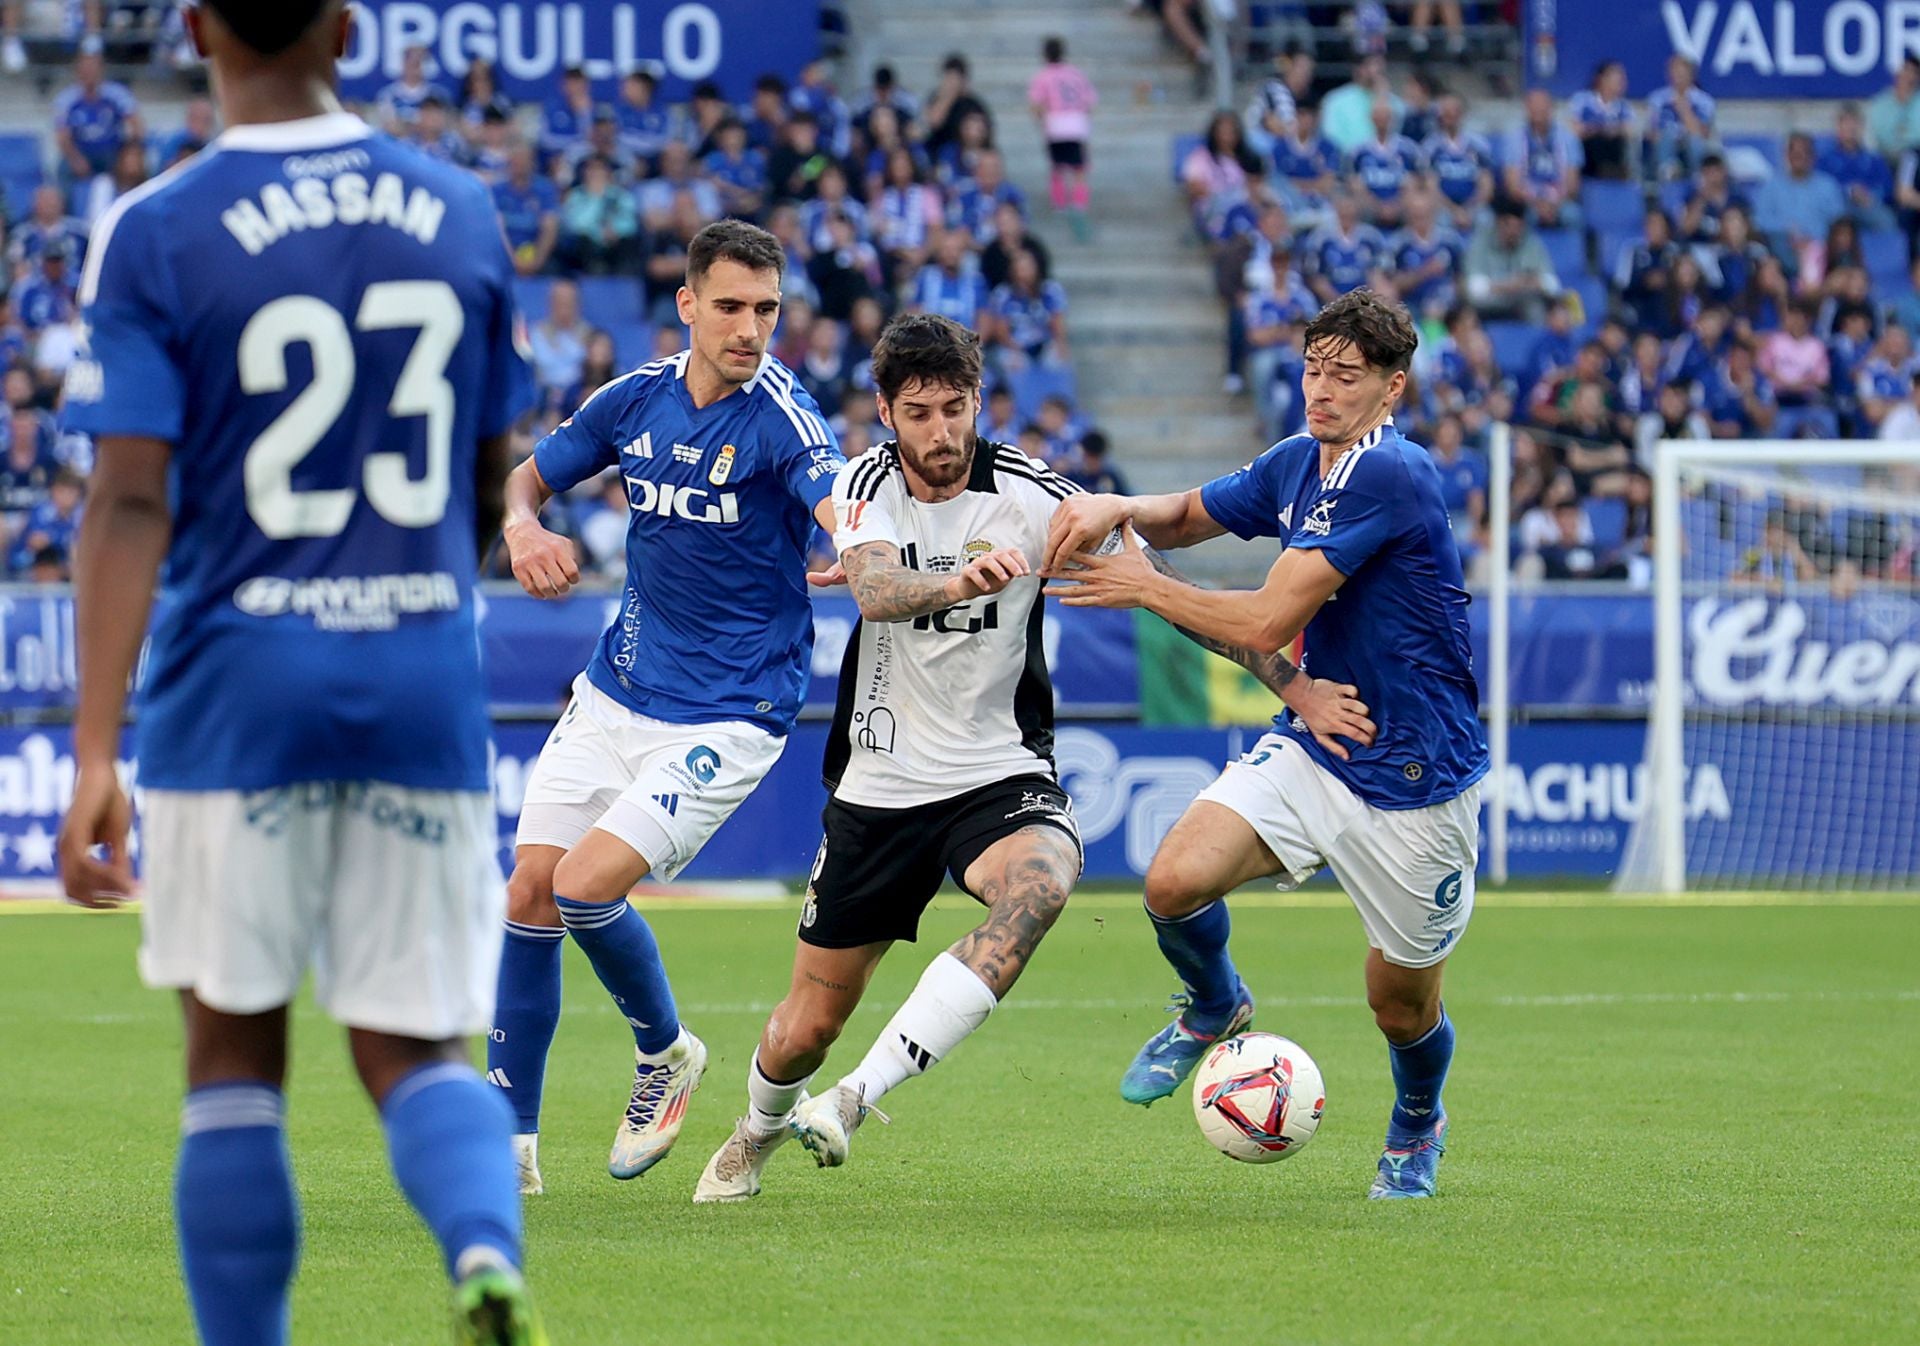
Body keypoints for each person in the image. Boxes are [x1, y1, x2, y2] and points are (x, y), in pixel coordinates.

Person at [53, 2, 544, 1342]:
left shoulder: (154, 227)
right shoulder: (457, 211)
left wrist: (96, 753)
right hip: (420, 679)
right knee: (413, 1051)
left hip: (233, 691)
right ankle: (485, 1248)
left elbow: (129, 499)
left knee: (231, 1064)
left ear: (197, 29)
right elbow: (487, 468)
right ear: (347, 28)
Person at [692, 313, 1371, 1201]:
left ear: (980, 401)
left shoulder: (1037, 495)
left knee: (1044, 883)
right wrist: (951, 582)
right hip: (880, 786)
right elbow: (873, 587)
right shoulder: (860, 485)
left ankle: (861, 1096)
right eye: (920, 412)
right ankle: (758, 1128)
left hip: (997, 773)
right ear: (887, 413)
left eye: (956, 408)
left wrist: (1296, 687)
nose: (942, 433)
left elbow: (1167, 592)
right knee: (801, 1030)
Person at [1042, 288, 1489, 1201]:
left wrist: (1145, 587)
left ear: (1393, 387)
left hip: (1416, 776)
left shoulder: (1388, 474)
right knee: (1171, 880)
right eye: (1313, 368)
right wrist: (1114, 504)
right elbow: (1184, 515)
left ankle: (1415, 1123)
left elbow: (1269, 614)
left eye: (1346, 376)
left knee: (1400, 1005)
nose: (1320, 389)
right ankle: (1216, 1006)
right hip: (1319, 743)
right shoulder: (1300, 460)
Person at [485, 219, 846, 1197]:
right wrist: (522, 526)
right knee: (526, 893)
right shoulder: (634, 398)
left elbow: (838, 497)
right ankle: (510, 1148)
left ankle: (665, 1052)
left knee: (586, 884)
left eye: (767, 309)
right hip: (616, 689)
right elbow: (526, 476)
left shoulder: (782, 412)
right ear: (688, 304)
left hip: (732, 710)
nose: (750, 328)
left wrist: (869, 544)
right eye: (730, 306)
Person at [1028, 36, 1097, 238]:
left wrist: (1042, 122)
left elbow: (1037, 104)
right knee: (1079, 169)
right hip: (1076, 123)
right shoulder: (1076, 74)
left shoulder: (1043, 76)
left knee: (1057, 167)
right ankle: (1079, 203)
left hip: (1056, 124)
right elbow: (1090, 101)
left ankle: (1059, 203)